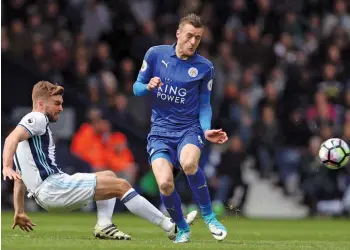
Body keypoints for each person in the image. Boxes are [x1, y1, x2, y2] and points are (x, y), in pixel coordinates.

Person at [2, 81, 197, 240]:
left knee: (109, 175)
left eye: (61, 103)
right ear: (42, 103)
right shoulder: (36, 118)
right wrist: (6, 166)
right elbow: (10, 138)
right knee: (121, 185)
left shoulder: (26, 140)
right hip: (53, 187)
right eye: (57, 103)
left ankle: (104, 225)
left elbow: (19, 178)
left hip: (47, 191)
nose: (61, 108)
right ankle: (170, 227)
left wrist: (19, 211)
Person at [133, 13, 228, 243]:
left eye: (198, 38)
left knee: (189, 164)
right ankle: (183, 228)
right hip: (159, 133)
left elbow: (204, 105)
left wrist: (205, 130)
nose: (193, 41)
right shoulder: (155, 54)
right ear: (178, 34)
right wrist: (148, 86)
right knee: (165, 183)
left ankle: (209, 216)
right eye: (189, 36)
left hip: (189, 129)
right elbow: (136, 88)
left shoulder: (205, 68)